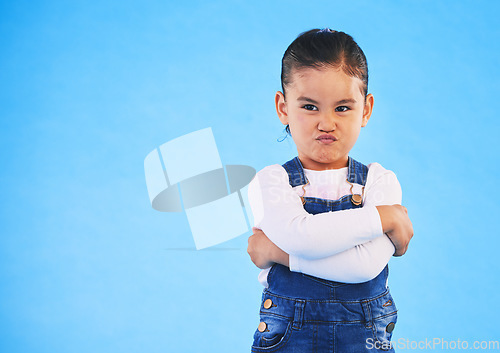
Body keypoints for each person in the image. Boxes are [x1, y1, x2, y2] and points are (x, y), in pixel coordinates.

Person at [246, 28, 414, 352]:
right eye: (310, 107)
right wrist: (384, 218)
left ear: (365, 109)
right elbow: (303, 237)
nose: (326, 123)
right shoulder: (271, 182)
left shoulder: (381, 181)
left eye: (342, 108)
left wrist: (276, 253)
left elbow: (364, 266)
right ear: (283, 107)